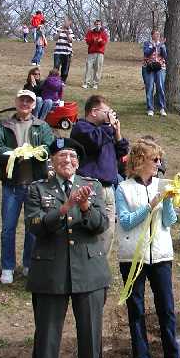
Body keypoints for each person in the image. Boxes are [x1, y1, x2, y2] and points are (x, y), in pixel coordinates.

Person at [25, 137, 110, 358]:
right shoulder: (38, 189)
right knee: (47, 337)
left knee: (91, 335)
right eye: (62, 157)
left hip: (89, 270)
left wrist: (84, 207)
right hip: (51, 272)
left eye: (72, 157)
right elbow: (34, 226)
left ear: (78, 162)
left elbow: (101, 225)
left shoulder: (92, 185)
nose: (68, 161)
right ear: (52, 161)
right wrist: (64, 208)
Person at [116, 138, 180, 358]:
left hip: (161, 255)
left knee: (166, 309)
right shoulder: (123, 188)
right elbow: (125, 222)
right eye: (154, 159)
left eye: (159, 159)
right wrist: (150, 205)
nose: (158, 163)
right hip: (132, 257)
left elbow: (169, 222)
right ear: (139, 161)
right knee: (136, 311)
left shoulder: (162, 183)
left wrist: (167, 202)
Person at [0, 89, 54, 284]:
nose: (25, 103)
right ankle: (7, 267)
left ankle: (29, 264)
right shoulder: (4, 125)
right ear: (16, 102)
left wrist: (34, 152)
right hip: (11, 186)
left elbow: (48, 146)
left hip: (35, 186)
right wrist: (13, 153)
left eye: (29, 101)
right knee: (8, 228)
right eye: (22, 100)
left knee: (32, 228)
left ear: (34, 105)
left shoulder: (41, 126)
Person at [70, 95, 129, 255]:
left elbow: (122, 152)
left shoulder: (106, 131)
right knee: (87, 231)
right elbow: (94, 141)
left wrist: (117, 133)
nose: (110, 114)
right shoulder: (81, 128)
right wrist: (109, 126)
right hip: (88, 188)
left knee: (107, 234)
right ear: (94, 112)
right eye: (107, 111)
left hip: (109, 189)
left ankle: (99, 270)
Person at [142, 29, 168, 117]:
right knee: (149, 88)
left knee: (160, 87)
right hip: (149, 67)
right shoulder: (147, 43)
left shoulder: (162, 44)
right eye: (156, 34)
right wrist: (154, 47)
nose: (157, 36)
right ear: (152, 35)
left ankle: (162, 108)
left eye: (159, 34)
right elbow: (146, 53)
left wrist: (162, 46)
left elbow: (165, 55)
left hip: (160, 67)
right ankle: (150, 108)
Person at [82, 19, 108, 89]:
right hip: (91, 52)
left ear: (101, 25)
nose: (98, 25)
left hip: (100, 53)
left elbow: (104, 43)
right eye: (96, 24)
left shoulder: (104, 33)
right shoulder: (90, 32)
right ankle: (86, 83)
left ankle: (95, 84)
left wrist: (100, 41)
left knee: (98, 68)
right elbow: (87, 41)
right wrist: (93, 40)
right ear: (94, 25)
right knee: (88, 68)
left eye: (99, 24)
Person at [53, 17, 75, 82]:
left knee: (65, 68)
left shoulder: (70, 31)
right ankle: (54, 80)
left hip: (67, 53)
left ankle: (63, 81)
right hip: (58, 52)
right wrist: (59, 32)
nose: (67, 23)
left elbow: (70, 41)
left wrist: (67, 34)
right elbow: (55, 39)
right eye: (65, 22)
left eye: (68, 22)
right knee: (56, 67)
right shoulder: (57, 29)